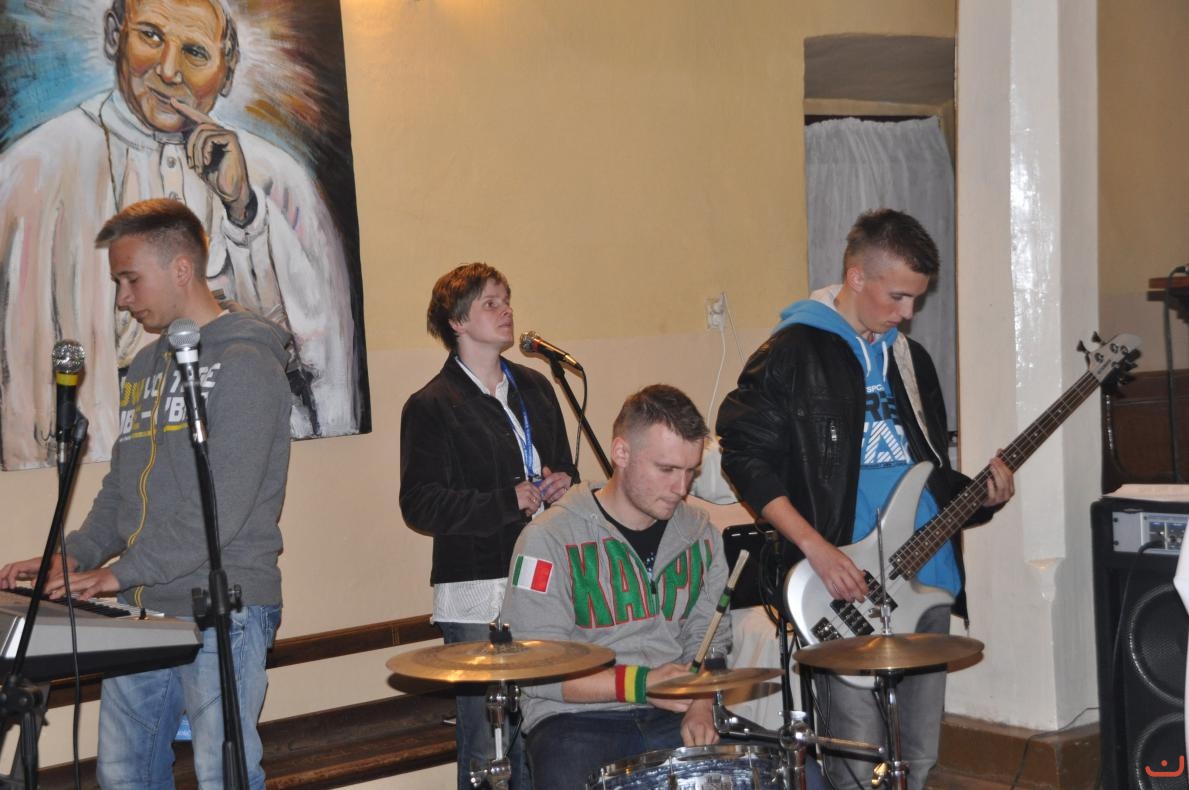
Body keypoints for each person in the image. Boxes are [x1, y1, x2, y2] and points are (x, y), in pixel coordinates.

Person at [715, 209, 1015, 790]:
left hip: (929, 575)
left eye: (915, 299)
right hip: (844, 584)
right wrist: (817, 548)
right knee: (856, 758)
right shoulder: (794, 351)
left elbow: (927, 473)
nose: (908, 312)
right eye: (898, 296)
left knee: (918, 756)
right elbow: (743, 456)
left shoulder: (911, 360)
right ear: (856, 277)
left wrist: (983, 497)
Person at [0, 198, 290, 789]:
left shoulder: (245, 360)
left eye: (130, 279)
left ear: (181, 268)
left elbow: (222, 504)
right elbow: (121, 489)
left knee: (223, 774)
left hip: (223, 607)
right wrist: (76, 556)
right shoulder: (145, 366)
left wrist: (119, 572)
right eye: (118, 283)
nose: (122, 298)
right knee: (123, 774)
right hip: (141, 609)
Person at [0, 0, 358, 471]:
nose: (169, 71)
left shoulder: (278, 179)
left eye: (194, 51)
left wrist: (243, 212)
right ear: (114, 35)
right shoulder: (32, 170)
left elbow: (318, 356)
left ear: (227, 71)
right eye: (150, 36)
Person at [500, 384, 731, 790]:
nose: (682, 488)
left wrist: (701, 705)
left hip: (672, 712)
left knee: (791, 774)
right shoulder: (547, 539)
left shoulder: (701, 536)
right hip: (574, 720)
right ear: (621, 453)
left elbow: (709, 640)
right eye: (666, 470)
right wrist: (641, 684)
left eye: (690, 471)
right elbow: (535, 669)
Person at [399, 263, 577, 790]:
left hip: (542, 577)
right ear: (457, 321)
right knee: (487, 743)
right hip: (478, 588)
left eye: (507, 300)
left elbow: (565, 465)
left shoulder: (536, 386)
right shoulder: (431, 405)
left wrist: (562, 481)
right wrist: (506, 500)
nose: (506, 311)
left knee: (543, 729)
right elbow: (420, 504)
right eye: (491, 304)